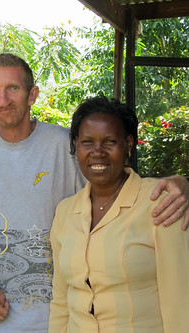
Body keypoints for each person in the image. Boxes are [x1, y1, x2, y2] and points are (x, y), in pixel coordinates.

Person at [0, 53, 188, 333]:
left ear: (32, 94)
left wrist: (181, 183)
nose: (3, 99)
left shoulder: (63, 145)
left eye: (13, 88)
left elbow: (112, 186)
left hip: (56, 319)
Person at [49, 96, 189, 332]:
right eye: (87, 142)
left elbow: (179, 298)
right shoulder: (65, 212)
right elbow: (61, 299)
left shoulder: (160, 203)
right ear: (76, 145)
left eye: (110, 141)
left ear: (129, 144)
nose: (97, 152)